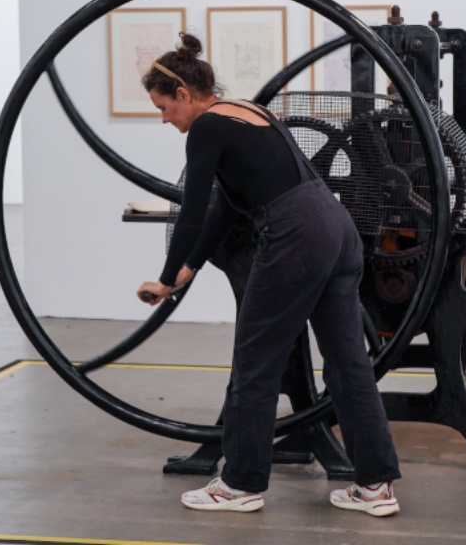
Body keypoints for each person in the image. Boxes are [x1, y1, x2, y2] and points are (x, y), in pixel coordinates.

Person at [137, 33, 401, 517]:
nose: (164, 119)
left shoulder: (206, 128)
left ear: (184, 95)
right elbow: (222, 211)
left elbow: (192, 211)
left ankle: (238, 483)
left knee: (255, 360)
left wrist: (164, 274)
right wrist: (187, 270)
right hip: (336, 228)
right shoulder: (246, 111)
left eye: (163, 107)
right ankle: (376, 486)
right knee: (348, 364)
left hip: (295, 235)